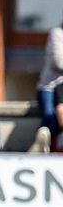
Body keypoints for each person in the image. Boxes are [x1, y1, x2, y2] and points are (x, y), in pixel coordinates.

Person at [34, 15, 63, 153]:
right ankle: (43, 147)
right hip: (50, 87)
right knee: (50, 117)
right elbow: (58, 61)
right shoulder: (57, 33)